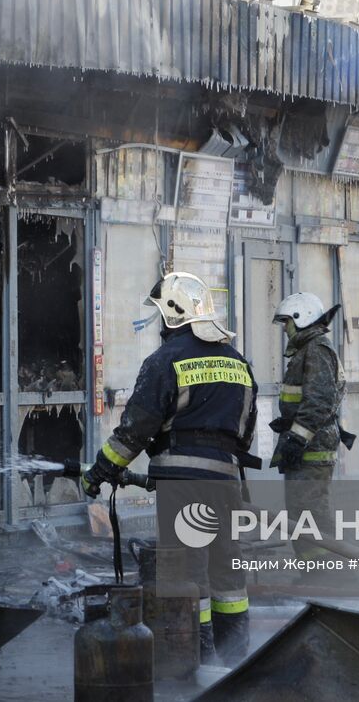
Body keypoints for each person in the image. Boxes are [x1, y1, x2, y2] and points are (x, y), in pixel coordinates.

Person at [82, 271, 258, 665]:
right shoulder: (237, 362)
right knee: (228, 571)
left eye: (163, 314)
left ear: (174, 315)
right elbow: (246, 428)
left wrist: (100, 472)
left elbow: (135, 430)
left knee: (187, 572)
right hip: (227, 481)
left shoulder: (165, 361)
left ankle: (199, 659)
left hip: (182, 487)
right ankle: (237, 658)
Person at [269, 292, 345, 564]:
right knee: (303, 514)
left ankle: (330, 574)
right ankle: (316, 571)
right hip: (307, 446)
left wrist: (296, 438)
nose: (285, 328)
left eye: (287, 322)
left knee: (311, 515)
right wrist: (288, 422)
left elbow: (320, 400)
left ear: (301, 319)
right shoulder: (309, 350)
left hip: (311, 449)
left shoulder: (316, 350)